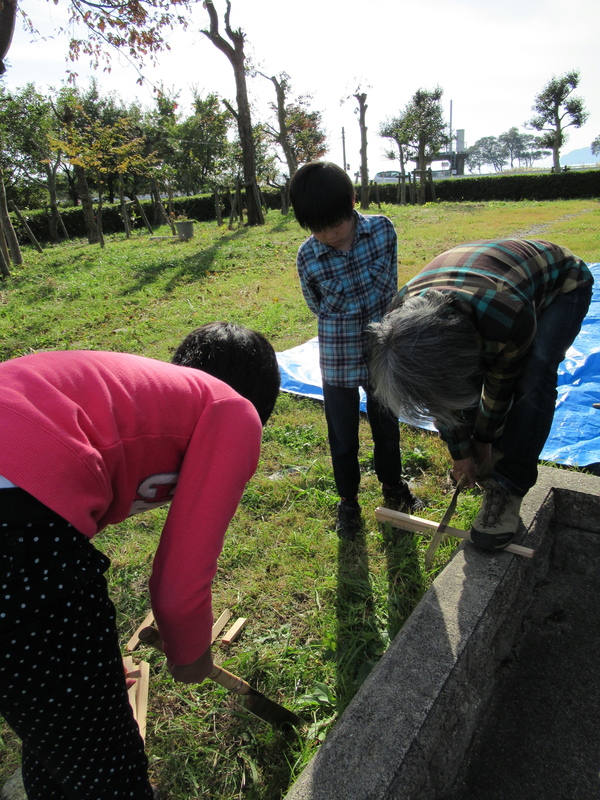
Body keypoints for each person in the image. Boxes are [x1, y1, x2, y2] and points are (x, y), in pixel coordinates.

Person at [0, 322, 280, 800]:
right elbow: (177, 585)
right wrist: (190, 658)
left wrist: (90, 668)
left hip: (21, 508)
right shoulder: (234, 411)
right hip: (16, 523)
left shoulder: (141, 391)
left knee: (57, 739)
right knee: (109, 773)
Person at [369, 238, 593, 551]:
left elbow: (501, 385)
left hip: (561, 281)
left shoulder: (507, 315)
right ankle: (490, 459)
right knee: (457, 388)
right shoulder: (398, 321)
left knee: (535, 374)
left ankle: (509, 485)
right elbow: (440, 394)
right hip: (484, 280)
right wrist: (461, 452)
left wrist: (484, 442)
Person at [288, 160, 422, 540]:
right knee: (343, 438)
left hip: (383, 351)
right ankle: (348, 502)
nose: (328, 234)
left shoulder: (382, 231)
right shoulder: (307, 256)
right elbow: (314, 303)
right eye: (317, 228)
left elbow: (393, 282)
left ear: (352, 202)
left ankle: (394, 487)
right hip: (338, 358)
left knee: (387, 428)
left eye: (335, 224)